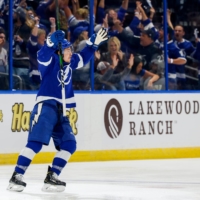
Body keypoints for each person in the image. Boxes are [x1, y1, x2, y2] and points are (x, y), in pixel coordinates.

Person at [7, 27, 109, 192]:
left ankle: (52, 176)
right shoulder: (50, 62)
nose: (71, 52)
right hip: (46, 106)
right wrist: (50, 42)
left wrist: (92, 44)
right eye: (68, 49)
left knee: (69, 144)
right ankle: (17, 176)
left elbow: (83, 58)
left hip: (62, 111)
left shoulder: (70, 62)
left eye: (71, 49)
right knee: (35, 143)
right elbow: (42, 55)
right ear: (59, 52)